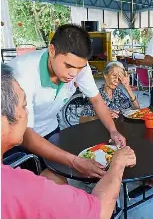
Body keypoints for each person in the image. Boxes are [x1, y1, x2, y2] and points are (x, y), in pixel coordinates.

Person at [1, 65, 136, 219]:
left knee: (52, 174)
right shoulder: (21, 188)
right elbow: (99, 212)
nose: (28, 114)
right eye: (24, 106)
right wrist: (117, 163)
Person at [5, 24, 126, 184]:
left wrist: (113, 131)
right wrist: (74, 161)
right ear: (52, 50)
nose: (73, 74)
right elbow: (25, 136)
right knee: (26, 189)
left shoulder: (78, 67)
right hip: (17, 137)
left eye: (79, 68)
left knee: (57, 181)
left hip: (50, 130)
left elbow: (96, 99)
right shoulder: (22, 75)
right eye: (68, 66)